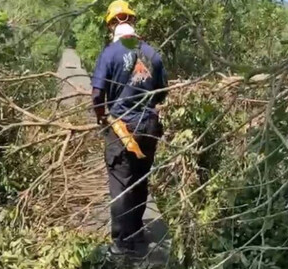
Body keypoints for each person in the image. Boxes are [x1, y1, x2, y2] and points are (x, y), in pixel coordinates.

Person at [91, 0, 168, 256]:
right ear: (132, 22)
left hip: (121, 128)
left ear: (112, 24)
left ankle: (122, 244)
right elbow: (161, 94)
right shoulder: (152, 53)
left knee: (120, 183)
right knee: (140, 181)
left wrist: (102, 118)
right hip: (148, 127)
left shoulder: (110, 53)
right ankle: (136, 234)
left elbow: (97, 95)